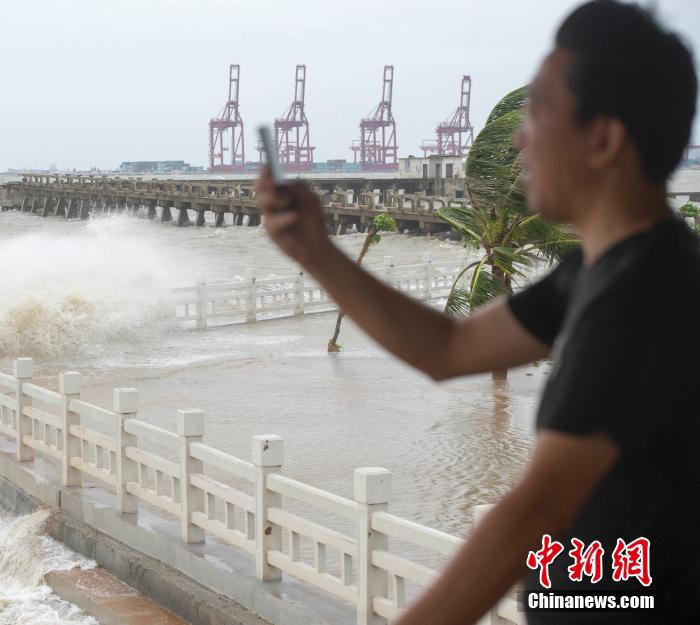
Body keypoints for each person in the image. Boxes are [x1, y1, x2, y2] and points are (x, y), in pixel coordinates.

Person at [257, 1, 699, 623]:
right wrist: (316, 251)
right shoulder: (602, 270)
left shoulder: (643, 296)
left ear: (603, 139)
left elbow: (533, 513)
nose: (520, 138)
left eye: (538, 112)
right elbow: (448, 349)